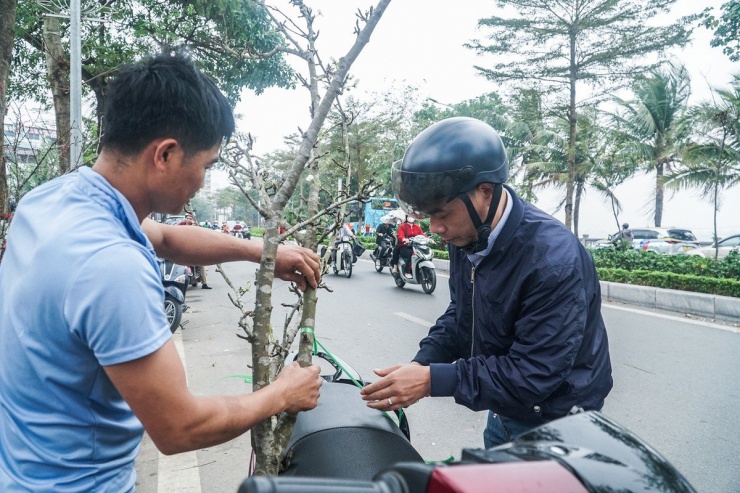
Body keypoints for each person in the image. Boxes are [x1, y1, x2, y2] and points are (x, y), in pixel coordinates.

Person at [0, 53, 322, 492]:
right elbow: (179, 427)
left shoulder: (53, 200)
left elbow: (168, 239)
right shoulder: (111, 265)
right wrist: (281, 394)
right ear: (166, 154)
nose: (203, 182)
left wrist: (263, 253)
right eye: (206, 166)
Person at [360, 117, 612, 448]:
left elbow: (532, 374)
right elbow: (462, 314)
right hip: (506, 409)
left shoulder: (553, 260)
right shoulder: (469, 235)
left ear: (485, 192)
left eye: (444, 214)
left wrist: (430, 381)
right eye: (429, 215)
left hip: (558, 420)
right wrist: (422, 364)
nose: (436, 228)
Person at [180, 213, 212, 289]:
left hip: (194, 250)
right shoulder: (181, 225)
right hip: (182, 250)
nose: (188, 220)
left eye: (190, 218)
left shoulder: (196, 227)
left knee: (202, 265)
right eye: (187, 218)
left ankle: (204, 283)